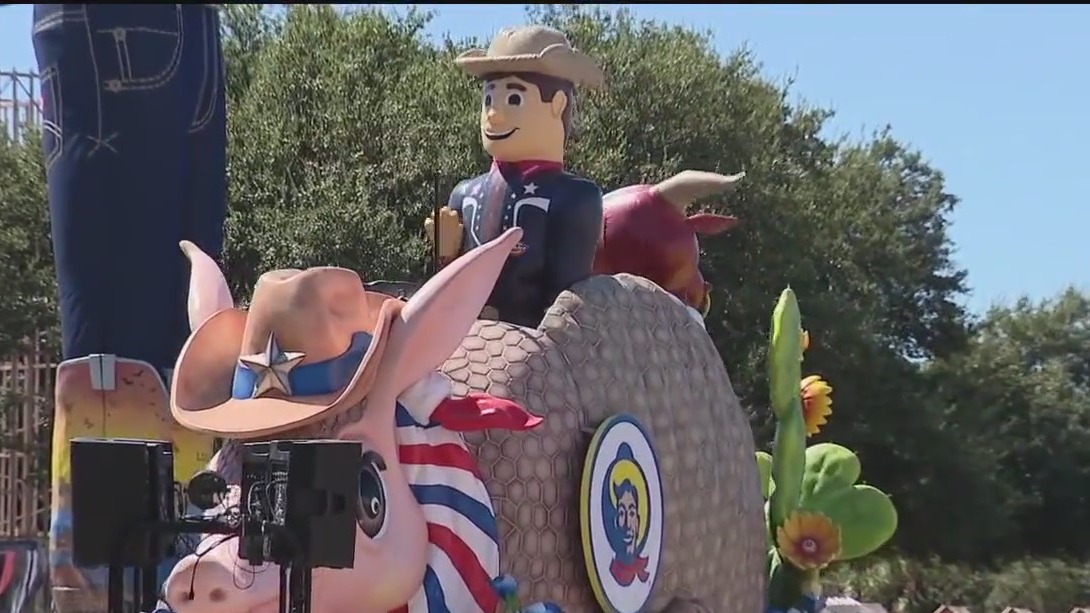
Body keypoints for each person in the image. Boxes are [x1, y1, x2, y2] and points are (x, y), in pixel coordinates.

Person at [31, 5, 226, 611]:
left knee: (150, 338)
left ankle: (139, 583)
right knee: (158, 340)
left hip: (139, 29)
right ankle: (153, 582)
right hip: (153, 29)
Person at [425, 25, 606, 328]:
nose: (493, 114)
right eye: (488, 100)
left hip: (536, 356)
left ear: (557, 104)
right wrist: (444, 256)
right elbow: (442, 294)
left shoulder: (575, 199)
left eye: (513, 100)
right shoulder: (465, 194)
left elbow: (568, 302)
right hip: (464, 345)